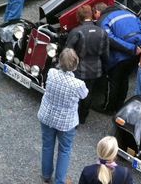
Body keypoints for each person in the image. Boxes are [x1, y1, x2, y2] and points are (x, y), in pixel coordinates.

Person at [38, 48, 88, 184]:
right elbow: (85, 95)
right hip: (66, 123)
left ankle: (46, 175)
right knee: (64, 150)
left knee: (47, 145)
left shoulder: (51, 73)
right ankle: (59, 181)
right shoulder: (78, 84)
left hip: (47, 116)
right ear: (75, 65)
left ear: (60, 61)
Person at [94, 2, 141, 113]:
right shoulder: (129, 14)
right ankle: (120, 105)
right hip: (135, 56)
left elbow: (110, 39)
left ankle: (108, 108)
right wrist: (139, 47)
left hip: (118, 58)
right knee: (124, 79)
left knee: (113, 82)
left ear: (98, 12)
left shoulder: (103, 20)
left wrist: (131, 48)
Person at [65, 5, 109, 124]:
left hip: (78, 69)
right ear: (91, 14)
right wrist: (105, 68)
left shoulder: (76, 32)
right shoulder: (102, 32)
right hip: (95, 69)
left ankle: (73, 119)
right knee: (88, 92)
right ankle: (82, 118)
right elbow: (106, 54)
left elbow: (67, 52)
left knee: (75, 94)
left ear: (79, 16)